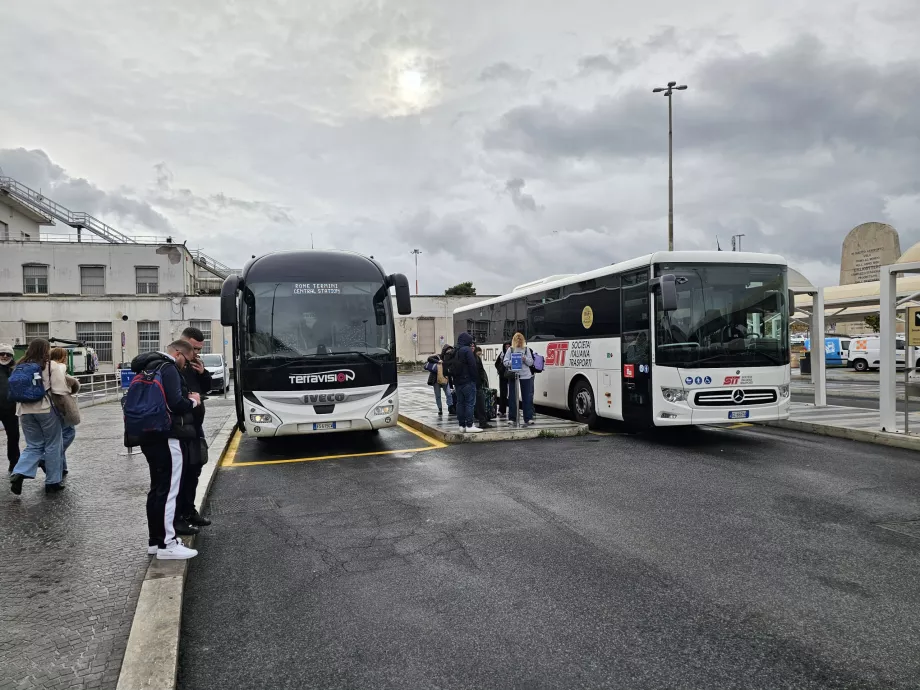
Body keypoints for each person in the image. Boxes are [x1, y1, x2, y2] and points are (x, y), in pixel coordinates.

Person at [130, 340, 201, 560]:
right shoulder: (167, 367)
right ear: (178, 353)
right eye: (186, 360)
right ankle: (167, 544)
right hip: (167, 435)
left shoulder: (146, 366)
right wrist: (194, 401)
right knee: (170, 490)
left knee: (158, 489)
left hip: (147, 433)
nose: (186, 365)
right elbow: (175, 404)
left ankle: (155, 540)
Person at [9, 339, 68, 494]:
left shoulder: (19, 365)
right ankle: (53, 482)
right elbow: (60, 390)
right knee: (53, 444)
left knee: (33, 445)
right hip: (45, 409)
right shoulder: (50, 365)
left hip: (24, 410)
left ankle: (19, 472)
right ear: (46, 349)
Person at [176, 327, 213, 533]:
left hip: (195, 425)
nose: (197, 353)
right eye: (194, 349)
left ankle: (189, 511)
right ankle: (179, 516)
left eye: (199, 349)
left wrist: (203, 373)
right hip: (181, 427)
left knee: (196, 466)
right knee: (182, 473)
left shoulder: (193, 364)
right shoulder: (175, 364)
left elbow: (206, 388)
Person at [48, 348, 80, 477]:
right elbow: (63, 383)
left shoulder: (46, 366)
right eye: (65, 356)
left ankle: (62, 467)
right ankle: (48, 457)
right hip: (60, 405)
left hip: (49, 405)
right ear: (62, 357)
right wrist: (73, 383)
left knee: (59, 435)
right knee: (69, 432)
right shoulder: (59, 366)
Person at [503, 332, 535, 425]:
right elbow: (505, 362)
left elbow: (531, 362)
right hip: (514, 375)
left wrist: (524, 358)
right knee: (512, 397)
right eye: (517, 339)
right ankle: (512, 418)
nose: (518, 341)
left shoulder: (526, 349)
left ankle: (528, 418)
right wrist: (512, 362)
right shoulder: (510, 349)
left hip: (526, 376)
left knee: (527, 397)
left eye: (520, 339)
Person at [451, 332, 481, 433]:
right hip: (468, 381)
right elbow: (472, 365)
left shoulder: (456, 350)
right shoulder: (467, 350)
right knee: (470, 403)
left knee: (460, 403)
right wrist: (474, 379)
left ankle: (462, 425)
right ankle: (469, 425)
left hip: (457, 382)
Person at [0, 344, 20, 473]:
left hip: (10, 408)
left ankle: (14, 463)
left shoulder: (15, 369)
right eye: (2, 353)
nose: (5, 356)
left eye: (8, 354)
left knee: (13, 436)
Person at [426, 345, 454, 416]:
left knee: (448, 393)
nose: (449, 351)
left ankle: (450, 407)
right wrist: (438, 361)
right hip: (436, 379)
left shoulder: (450, 359)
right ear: (444, 350)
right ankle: (440, 409)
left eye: (450, 350)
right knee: (438, 395)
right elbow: (429, 358)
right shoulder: (438, 356)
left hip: (445, 379)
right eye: (448, 350)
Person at [473, 347, 494, 430]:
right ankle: (469, 423)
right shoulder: (469, 358)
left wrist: (482, 380)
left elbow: (481, 370)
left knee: (480, 403)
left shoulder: (477, 358)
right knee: (471, 404)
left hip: (478, 384)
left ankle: (483, 422)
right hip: (471, 384)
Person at [494, 342, 511, 419]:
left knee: (511, 393)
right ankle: (502, 410)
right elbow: (496, 363)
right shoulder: (502, 354)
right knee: (503, 393)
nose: (507, 348)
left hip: (511, 375)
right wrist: (500, 370)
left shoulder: (513, 353)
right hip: (503, 376)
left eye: (508, 346)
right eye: (506, 346)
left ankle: (512, 411)